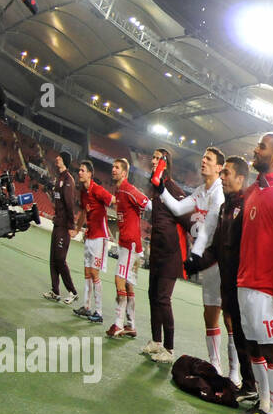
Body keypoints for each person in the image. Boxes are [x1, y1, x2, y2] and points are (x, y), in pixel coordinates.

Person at [235, 134, 273, 414]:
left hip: (268, 285)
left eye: (262, 148)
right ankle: (263, 404)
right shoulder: (252, 191)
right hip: (245, 279)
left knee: (271, 350)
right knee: (253, 345)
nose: (255, 151)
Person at [158, 148, 226, 373]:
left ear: (219, 168)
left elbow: (208, 228)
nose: (203, 161)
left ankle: (235, 373)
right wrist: (161, 190)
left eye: (209, 159)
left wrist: (195, 255)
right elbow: (178, 208)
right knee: (210, 315)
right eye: (203, 157)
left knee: (229, 319)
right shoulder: (200, 191)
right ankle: (216, 365)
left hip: (219, 259)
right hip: (207, 260)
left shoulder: (219, 193)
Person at [204, 156, 256, 400]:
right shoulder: (225, 206)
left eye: (226, 173)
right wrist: (194, 261)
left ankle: (256, 386)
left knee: (250, 334)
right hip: (228, 281)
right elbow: (216, 246)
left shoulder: (248, 205)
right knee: (233, 326)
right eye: (221, 173)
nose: (222, 177)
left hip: (244, 282)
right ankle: (245, 382)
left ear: (241, 178)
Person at [143, 149, 190, 365]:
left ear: (165, 162)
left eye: (157, 158)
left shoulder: (171, 188)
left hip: (171, 253)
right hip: (157, 251)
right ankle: (156, 341)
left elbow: (187, 218)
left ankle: (169, 349)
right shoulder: (155, 189)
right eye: (152, 157)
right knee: (153, 295)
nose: (153, 161)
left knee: (163, 299)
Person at [106, 159, 150, 340]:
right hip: (132, 245)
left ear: (124, 173)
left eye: (117, 167)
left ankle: (117, 323)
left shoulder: (127, 189)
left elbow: (146, 202)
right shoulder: (119, 190)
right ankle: (131, 325)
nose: (113, 169)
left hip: (130, 244)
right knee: (129, 284)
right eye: (113, 167)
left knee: (119, 280)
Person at [73, 160, 113, 325]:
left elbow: (113, 200)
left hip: (99, 238)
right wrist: (77, 229)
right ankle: (86, 306)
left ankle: (99, 312)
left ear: (90, 173)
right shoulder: (83, 192)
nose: (80, 173)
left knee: (94, 274)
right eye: (79, 170)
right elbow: (83, 212)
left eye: (82, 170)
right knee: (87, 273)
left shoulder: (98, 190)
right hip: (89, 236)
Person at [44, 150, 79, 305]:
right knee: (53, 259)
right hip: (58, 223)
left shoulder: (68, 180)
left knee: (59, 258)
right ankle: (55, 291)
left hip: (64, 226)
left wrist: (72, 225)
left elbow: (70, 204)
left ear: (64, 160)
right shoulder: (59, 177)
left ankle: (73, 291)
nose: (56, 158)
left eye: (59, 157)